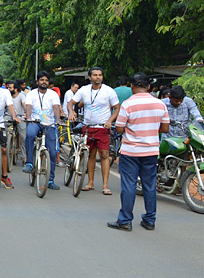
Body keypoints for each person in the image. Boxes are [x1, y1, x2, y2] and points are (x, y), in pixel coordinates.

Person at [108, 72, 170, 231]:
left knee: (129, 185)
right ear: (149, 87)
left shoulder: (128, 104)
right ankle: (150, 220)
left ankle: (125, 221)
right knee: (149, 186)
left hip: (131, 151)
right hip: (151, 151)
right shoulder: (160, 104)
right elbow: (165, 128)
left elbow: (120, 128)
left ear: (132, 86)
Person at [68, 67, 120, 195]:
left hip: (102, 127)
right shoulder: (84, 90)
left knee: (104, 155)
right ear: (90, 77)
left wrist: (110, 121)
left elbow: (117, 108)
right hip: (88, 127)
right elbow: (71, 102)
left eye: (100, 75)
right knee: (90, 154)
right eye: (95, 75)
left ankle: (105, 185)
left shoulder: (109, 91)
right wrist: (71, 111)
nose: (98, 77)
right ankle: (90, 182)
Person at [22, 71, 61, 191]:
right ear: (37, 81)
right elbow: (28, 107)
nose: (44, 82)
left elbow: (56, 107)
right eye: (42, 80)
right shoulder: (31, 94)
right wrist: (28, 119)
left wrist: (57, 120)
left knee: (53, 153)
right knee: (29, 133)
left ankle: (50, 180)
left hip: (49, 124)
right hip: (35, 122)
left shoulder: (53, 94)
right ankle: (29, 162)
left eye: (46, 80)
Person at [7, 80, 27, 157]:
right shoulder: (7, 96)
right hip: (8, 116)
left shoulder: (22, 96)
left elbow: (24, 105)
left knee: (23, 137)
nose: (8, 89)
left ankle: (24, 157)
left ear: (15, 89)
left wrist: (26, 113)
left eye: (10, 88)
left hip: (19, 116)